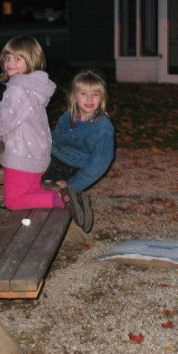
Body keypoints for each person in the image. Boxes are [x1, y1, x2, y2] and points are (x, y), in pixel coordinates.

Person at [0, 36, 86, 228]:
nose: (10, 63)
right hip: (38, 152)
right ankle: (67, 197)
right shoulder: (33, 86)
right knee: (31, 192)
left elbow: (5, 121)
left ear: (32, 60)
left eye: (17, 59)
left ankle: (61, 201)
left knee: (13, 201)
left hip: (23, 155)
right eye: (7, 57)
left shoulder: (18, 89)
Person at [43, 70, 115, 233]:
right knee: (29, 173)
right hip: (54, 159)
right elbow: (53, 139)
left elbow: (98, 164)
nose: (89, 99)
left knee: (45, 187)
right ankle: (73, 199)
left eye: (95, 94)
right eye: (84, 94)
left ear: (102, 98)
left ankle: (71, 198)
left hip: (73, 168)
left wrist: (74, 184)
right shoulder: (67, 117)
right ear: (74, 97)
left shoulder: (102, 129)